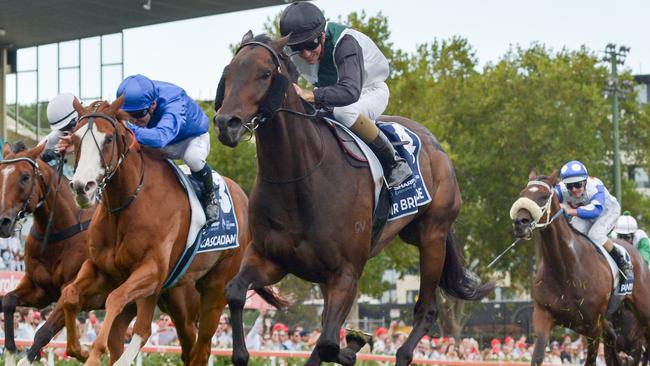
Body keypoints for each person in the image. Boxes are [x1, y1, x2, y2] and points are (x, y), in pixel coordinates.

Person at [278, 1, 411, 188]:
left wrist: (311, 95)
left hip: (369, 91)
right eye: (298, 47)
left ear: (322, 35)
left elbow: (350, 92)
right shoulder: (292, 53)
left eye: (311, 44)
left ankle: (395, 162)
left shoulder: (346, 43)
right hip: (332, 97)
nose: (306, 53)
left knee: (344, 112)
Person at [556, 160, 631, 280]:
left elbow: (596, 211)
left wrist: (571, 211)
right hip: (584, 214)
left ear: (585, 181)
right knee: (573, 234)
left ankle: (621, 261)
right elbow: (548, 197)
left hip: (606, 212)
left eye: (578, 184)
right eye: (570, 186)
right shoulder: (561, 189)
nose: (574, 189)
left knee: (595, 235)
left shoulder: (595, 186)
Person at [39, 92, 80, 163]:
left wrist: (75, 145)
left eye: (71, 125)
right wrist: (53, 152)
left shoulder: (97, 123)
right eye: (63, 128)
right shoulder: (63, 132)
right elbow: (39, 149)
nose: (70, 131)